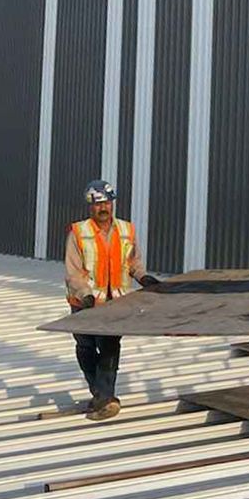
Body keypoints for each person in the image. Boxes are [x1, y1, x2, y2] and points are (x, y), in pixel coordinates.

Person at [63, 179, 162, 421]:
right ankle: (100, 394)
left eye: (106, 203)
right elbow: (73, 271)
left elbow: (132, 262)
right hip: (84, 303)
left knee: (109, 349)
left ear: (113, 203)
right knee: (86, 348)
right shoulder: (79, 232)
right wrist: (85, 294)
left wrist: (144, 277)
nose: (103, 208)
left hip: (115, 303)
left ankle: (106, 399)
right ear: (90, 207)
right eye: (98, 205)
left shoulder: (127, 230)